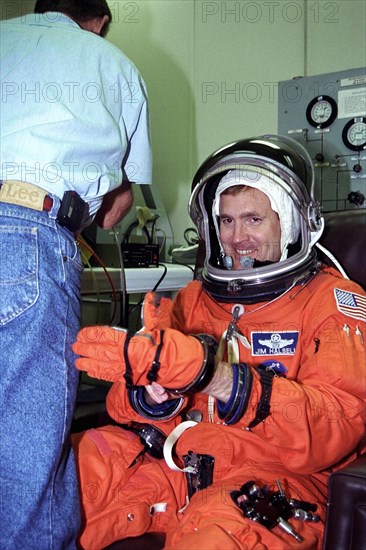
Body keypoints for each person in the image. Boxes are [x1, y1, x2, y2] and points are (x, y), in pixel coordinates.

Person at [72, 135, 365, 550]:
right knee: (61, 481)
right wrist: (152, 393)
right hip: (179, 467)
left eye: (253, 219)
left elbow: (337, 424)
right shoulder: (194, 299)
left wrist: (217, 378)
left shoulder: (332, 304)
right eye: (226, 221)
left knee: (211, 538)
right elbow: (128, 410)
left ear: (292, 222)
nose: (237, 237)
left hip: (277, 481)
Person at [0, 0, 152, 548]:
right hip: (27, 236)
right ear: (101, 21)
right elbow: (117, 206)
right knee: (28, 470)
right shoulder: (110, 63)